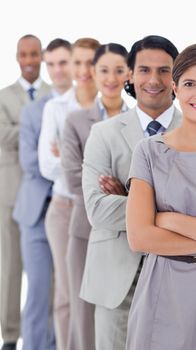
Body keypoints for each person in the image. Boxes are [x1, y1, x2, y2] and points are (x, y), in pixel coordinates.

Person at [126, 42, 196, 350]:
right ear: (174, 88)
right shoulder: (149, 152)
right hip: (163, 290)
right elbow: (140, 237)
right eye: (189, 84)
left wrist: (170, 220)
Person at [81, 35, 181, 350]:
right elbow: (97, 211)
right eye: (144, 70)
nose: (154, 80)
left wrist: (129, 198)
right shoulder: (103, 134)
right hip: (116, 281)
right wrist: (169, 209)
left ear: (176, 77)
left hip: (177, 275)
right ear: (130, 76)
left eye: (164, 71)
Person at [62, 42, 129, 350]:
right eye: (104, 70)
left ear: (128, 73)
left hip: (129, 236)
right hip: (85, 231)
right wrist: (106, 187)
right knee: (84, 315)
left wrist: (124, 190)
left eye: (119, 70)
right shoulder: (76, 121)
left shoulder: (142, 122)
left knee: (121, 316)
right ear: (93, 72)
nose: (111, 77)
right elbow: (75, 179)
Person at [38, 37, 100, 350]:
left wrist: (70, 154)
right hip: (64, 209)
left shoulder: (111, 107)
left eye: (91, 62)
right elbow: (47, 166)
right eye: (77, 62)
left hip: (103, 212)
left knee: (100, 293)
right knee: (66, 293)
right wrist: (91, 166)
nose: (83, 69)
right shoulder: (55, 108)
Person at [13, 38, 73, 350]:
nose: (57, 69)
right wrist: (69, 160)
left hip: (71, 208)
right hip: (36, 210)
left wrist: (61, 156)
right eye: (52, 63)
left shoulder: (84, 103)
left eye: (63, 63)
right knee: (37, 290)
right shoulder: (35, 111)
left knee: (66, 291)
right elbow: (30, 162)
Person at [0, 34, 50, 350]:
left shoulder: (56, 93)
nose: (29, 60)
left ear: (41, 57)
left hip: (49, 195)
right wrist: (38, 128)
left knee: (49, 271)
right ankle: (9, 335)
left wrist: (25, 129)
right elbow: (3, 136)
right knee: (10, 268)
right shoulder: (3, 96)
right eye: (24, 55)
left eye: (35, 54)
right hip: (10, 194)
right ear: (17, 58)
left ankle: (46, 334)